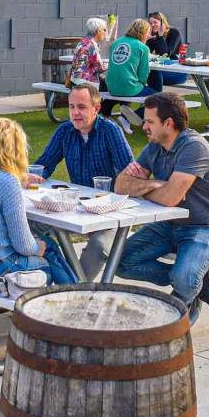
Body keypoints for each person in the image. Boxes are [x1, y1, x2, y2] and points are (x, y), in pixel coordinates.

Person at [112, 92, 209, 322]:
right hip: (169, 224)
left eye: (150, 122)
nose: (145, 127)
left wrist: (141, 187)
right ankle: (196, 282)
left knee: (185, 278)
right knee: (119, 261)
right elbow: (120, 185)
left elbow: (170, 198)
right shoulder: (155, 147)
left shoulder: (193, 147)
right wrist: (154, 184)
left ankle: (188, 290)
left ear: (168, 123)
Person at [0, 117, 78, 293]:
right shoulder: (6, 181)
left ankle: (76, 298)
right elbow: (24, 246)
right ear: (13, 149)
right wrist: (38, 247)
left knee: (43, 246)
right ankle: (80, 299)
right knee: (50, 248)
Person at [32, 82, 136, 275]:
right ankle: (55, 274)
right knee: (27, 226)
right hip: (75, 210)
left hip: (109, 214)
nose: (75, 113)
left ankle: (76, 289)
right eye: (72, 107)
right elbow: (43, 166)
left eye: (81, 107)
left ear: (96, 109)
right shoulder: (65, 131)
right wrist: (28, 176)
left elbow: (130, 173)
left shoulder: (110, 131)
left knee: (98, 246)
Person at [102, 19, 158, 120]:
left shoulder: (116, 43)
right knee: (159, 98)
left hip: (111, 85)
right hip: (129, 86)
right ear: (143, 32)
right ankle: (133, 116)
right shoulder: (143, 47)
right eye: (148, 32)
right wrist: (141, 84)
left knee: (122, 89)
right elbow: (143, 72)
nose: (149, 35)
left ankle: (105, 109)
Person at [70, 17, 110, 87]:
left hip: (75, 79)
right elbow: (100, 68)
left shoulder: (83, 42)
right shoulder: (91, 45)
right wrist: (111, 64)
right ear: (98, 31)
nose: (105, 32)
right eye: (104, 30)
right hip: (85, 81)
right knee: (112, 87)